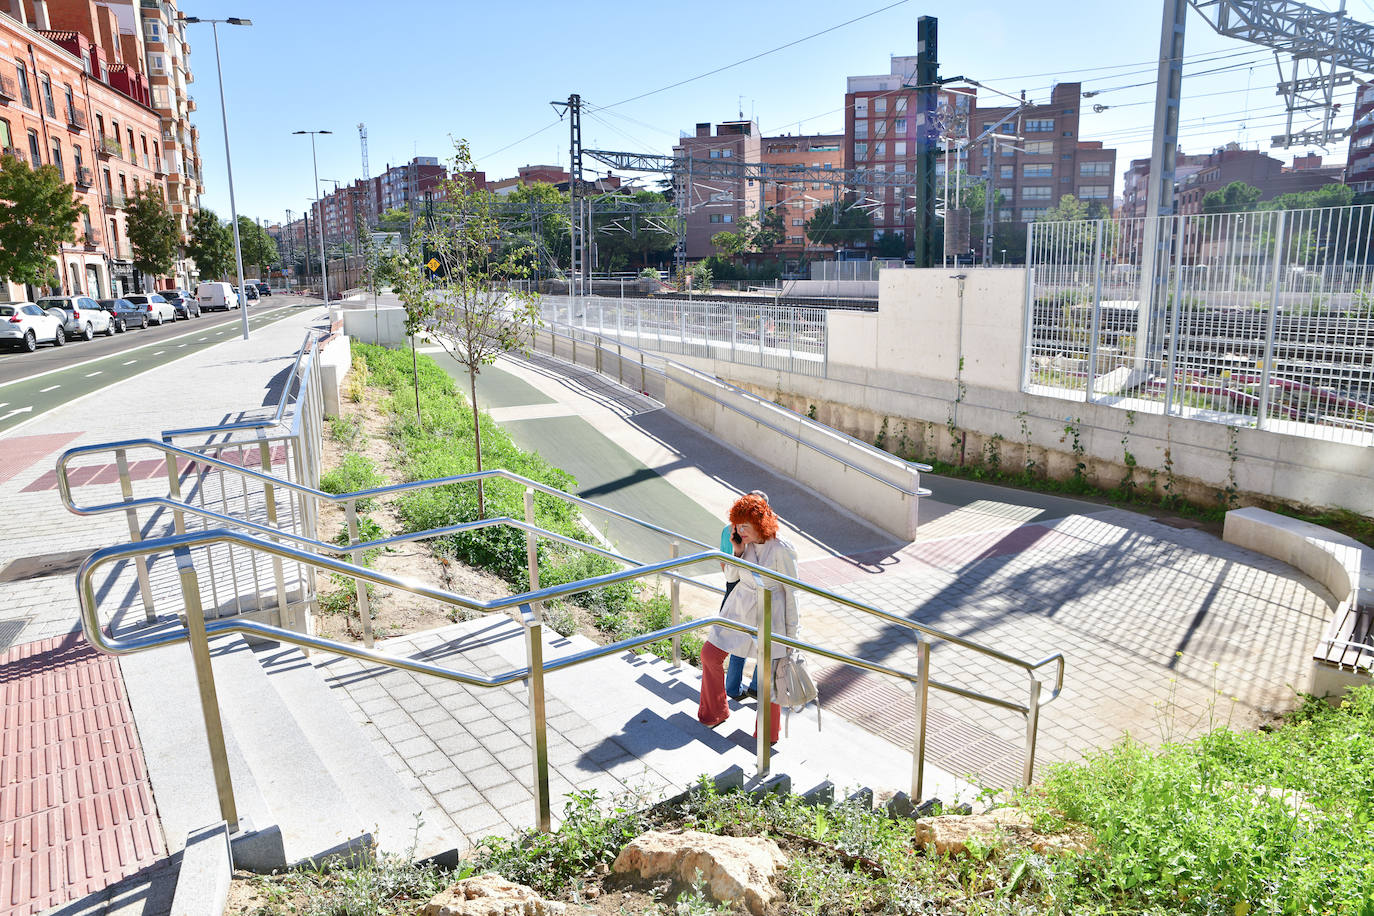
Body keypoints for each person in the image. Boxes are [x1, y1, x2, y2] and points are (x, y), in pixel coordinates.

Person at [698, 493, 798, 744]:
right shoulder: (744, 543)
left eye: (745, 526)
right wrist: (738, 551)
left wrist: (792, 637)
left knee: (769, 677)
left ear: (760, 523)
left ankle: (766, 736)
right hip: (739, 608)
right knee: (710, 654)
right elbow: (731, 577)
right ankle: (714, 711)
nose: (740, 530)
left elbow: (792, 594)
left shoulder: (782, 549)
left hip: (770, 614)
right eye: (737, 525)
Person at [722, 490, 769, 700]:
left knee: (743, 641)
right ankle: (753, 687)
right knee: (758, 643)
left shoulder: (730, 531)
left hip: (740, 592)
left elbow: (726, 568)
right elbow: (730, 570)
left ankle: (734, 687)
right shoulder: (738, 535)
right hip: (744, 592)